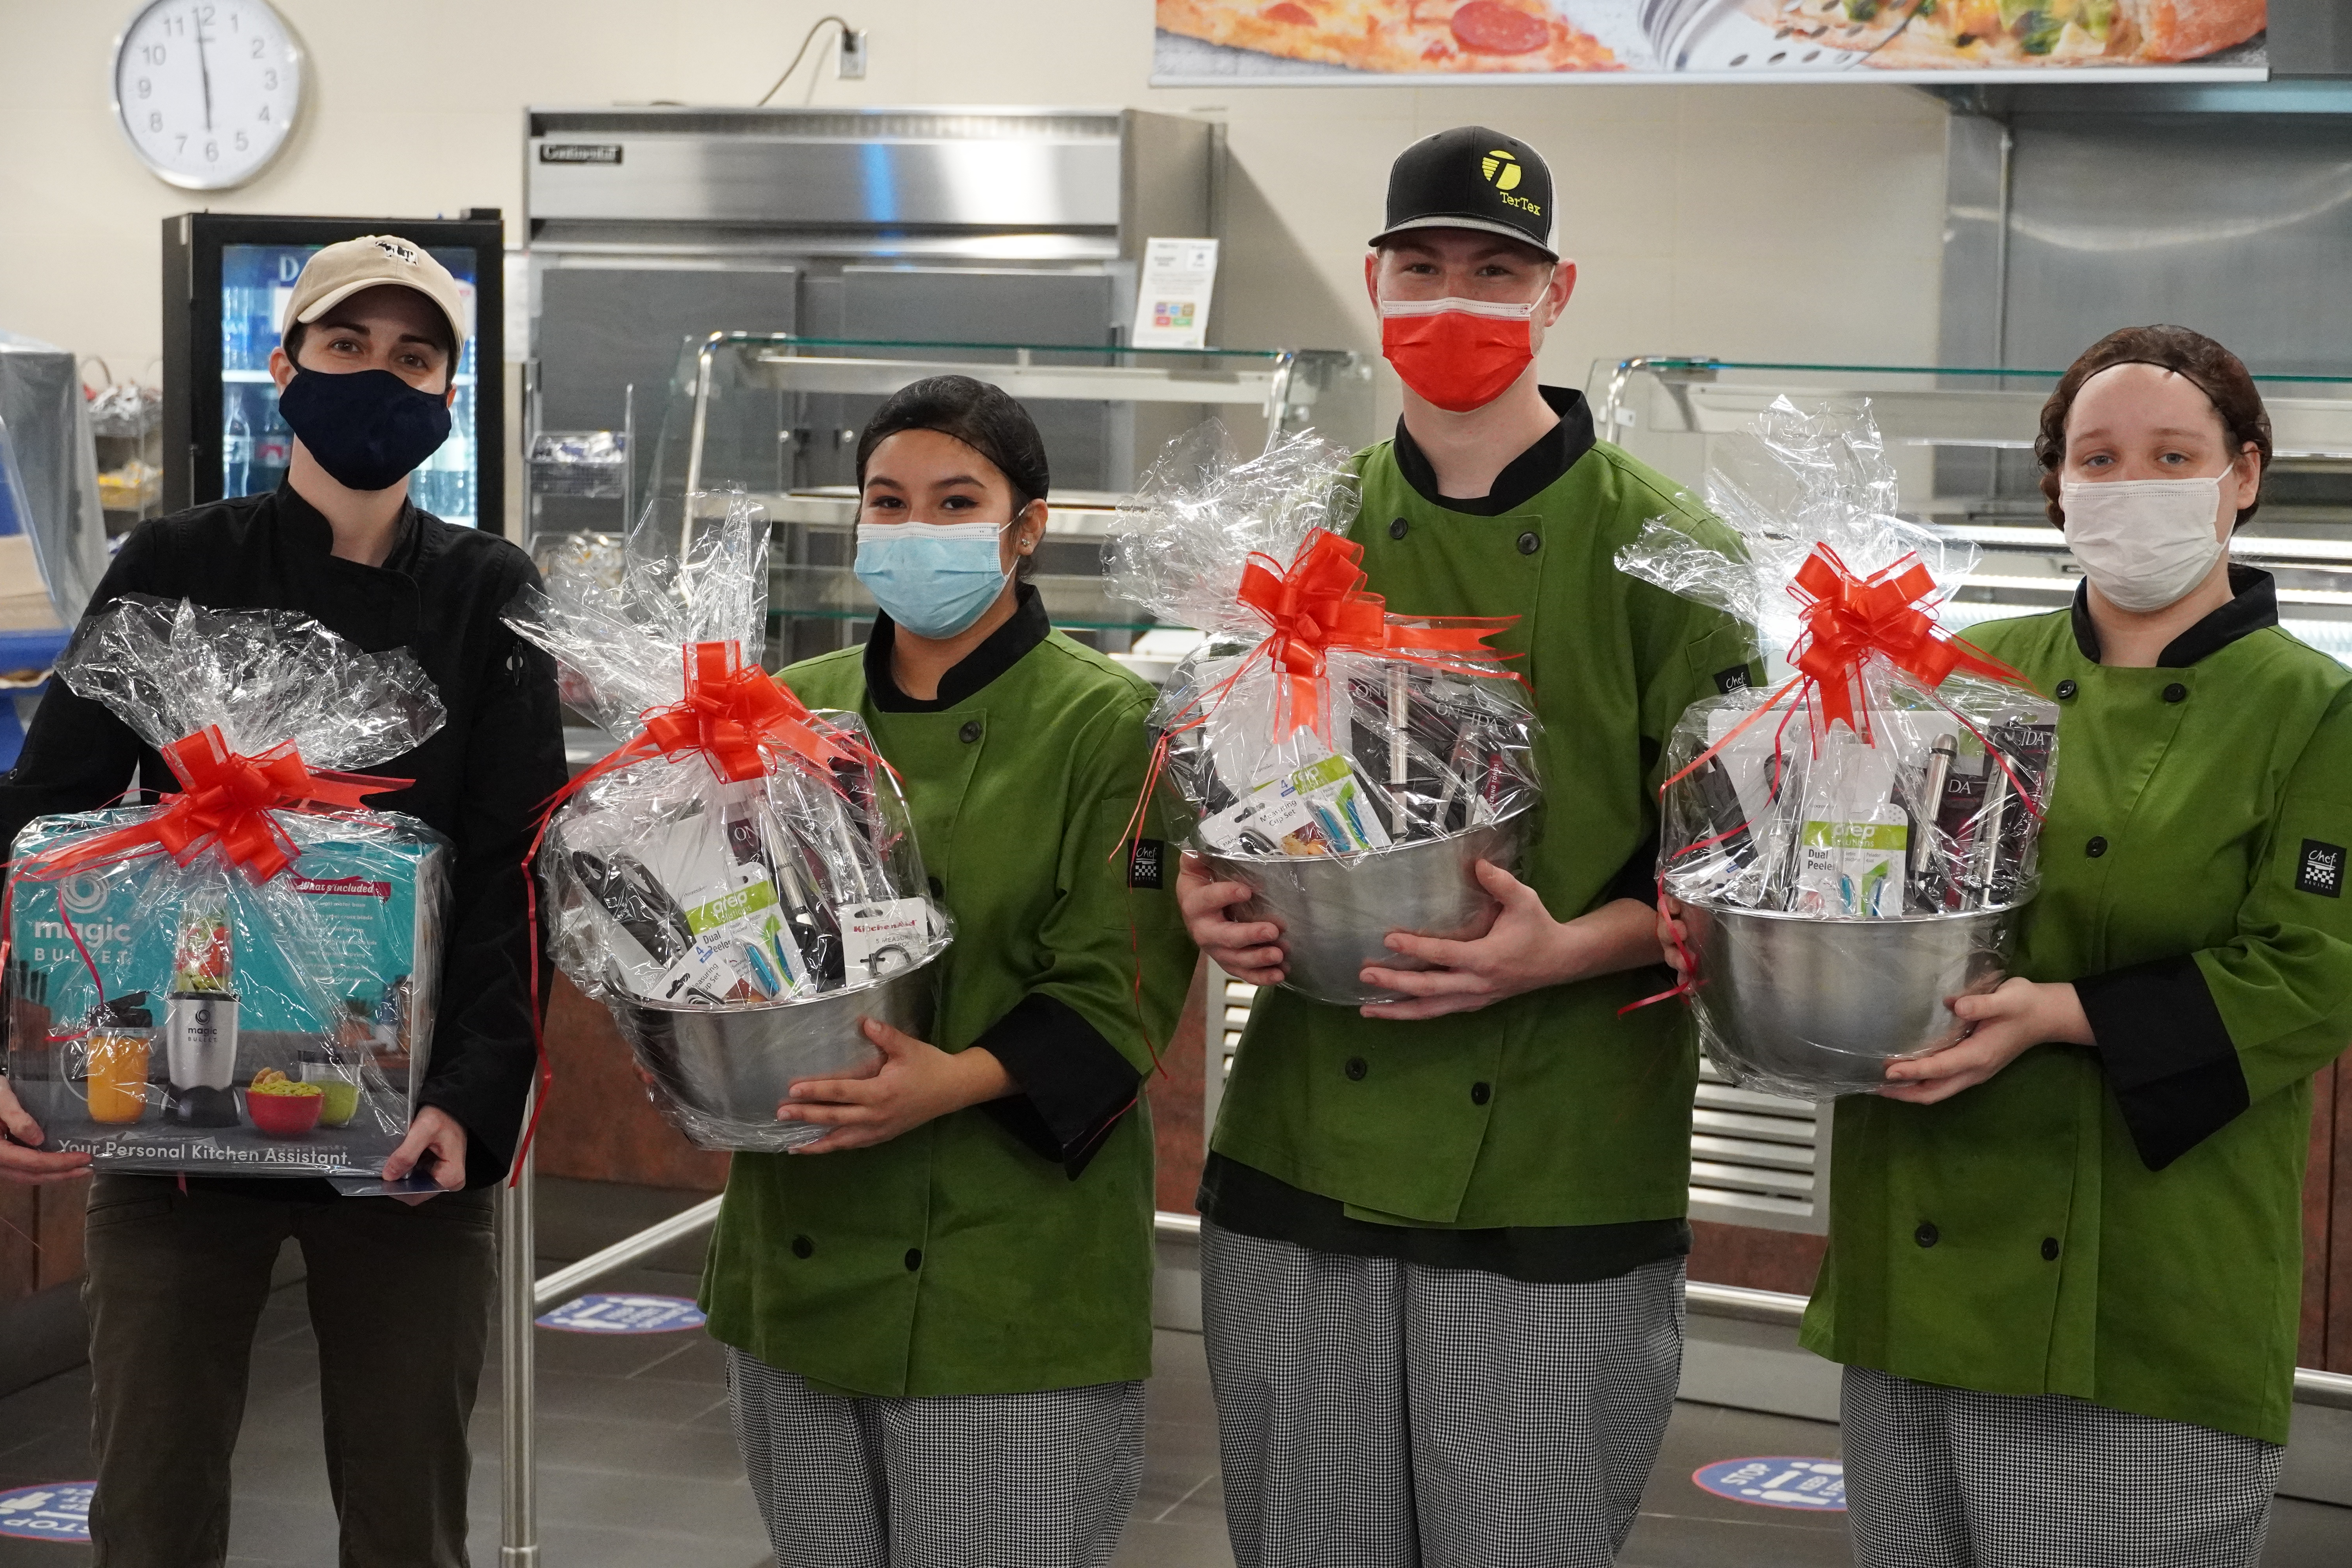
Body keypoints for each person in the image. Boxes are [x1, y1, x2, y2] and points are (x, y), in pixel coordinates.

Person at [1174, 126, 1762, 1567]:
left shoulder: (1664, 555)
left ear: (1556, 294)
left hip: (1560, 1155)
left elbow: (1738, 867)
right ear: (1376, 282)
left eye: (1495, 273)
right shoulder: (1297, 543)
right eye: (1424, 266)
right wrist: (1212, 892)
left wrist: (1566, 947)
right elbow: (1233, 799)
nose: (1457, 302)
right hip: (1310, 1133)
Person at [0, 235, 567, 1566]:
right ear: (283, 364)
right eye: (347, 346)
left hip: (404, 1120)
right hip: (169, 1111)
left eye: (414, 356)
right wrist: (17, 1051)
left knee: (404, 1504)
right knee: (150, 1496)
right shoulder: (179, 560)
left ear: (448, 394)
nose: (381, 376)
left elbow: (513, 872)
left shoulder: (488, 591)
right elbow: (47, 829)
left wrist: (476, 1103)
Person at [1791, 326, 2352, 1566]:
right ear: (2058, 485)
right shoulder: (1966, 675)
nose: (2131, 487)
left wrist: (2055, 1014)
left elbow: (2316, 973)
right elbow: (1873, 886)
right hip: (1921, 1262)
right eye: (2098, 460)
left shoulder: (2318, 708)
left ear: (2244, 475)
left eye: (2173, 457)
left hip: (2145, 1295)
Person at [699, 374, 1195, 1568]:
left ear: (1029, 525)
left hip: (1009, 1266)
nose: (916, 528)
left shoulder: (1110, 722)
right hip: (801, 1245)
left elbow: (1119, 986)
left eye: (955, 501)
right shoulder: (784, 712)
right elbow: (718, 932)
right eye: (889, 500)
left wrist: (945, 1080)